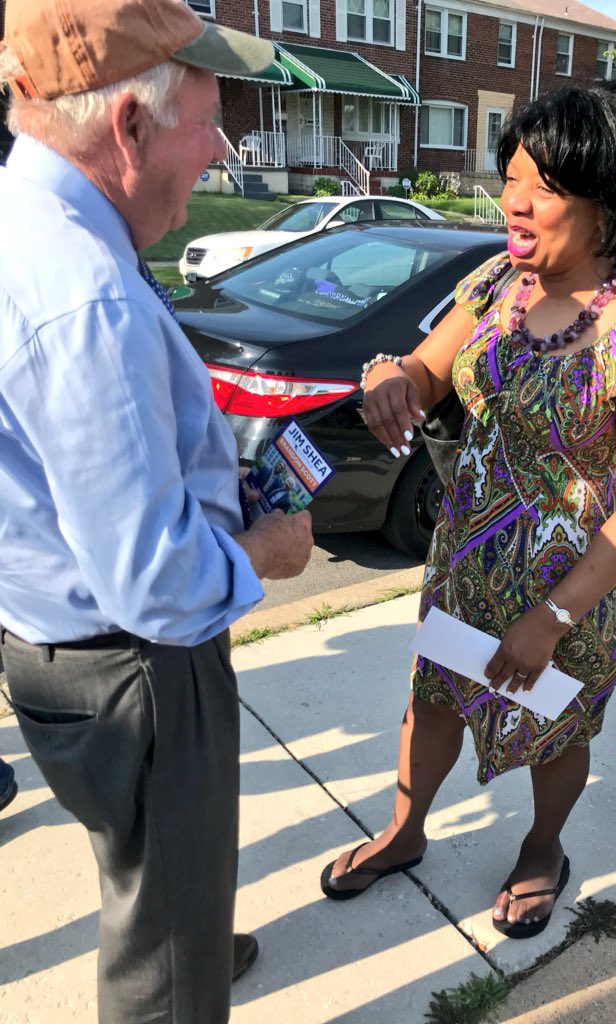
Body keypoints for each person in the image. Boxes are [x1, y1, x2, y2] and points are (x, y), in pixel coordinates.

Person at [321, 82, 616, 939]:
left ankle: (543, 847)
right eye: (511, 176)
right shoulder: (499, 281)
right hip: (467, 556)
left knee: (553, 727)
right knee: (433, 699)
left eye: (543, 185)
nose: (514, 202)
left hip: (574, 588)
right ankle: (405, 831)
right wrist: (394, 382)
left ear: (606, 202)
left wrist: (550, 617)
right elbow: (426, 369)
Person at [0, 1, 313, 1021]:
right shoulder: (86, 297)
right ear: (129, 126)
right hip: (135, 665)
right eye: (210, 118)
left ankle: (189, 925)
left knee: (152, 882)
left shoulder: (32, 221)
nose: (223, 148)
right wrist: (262, 547)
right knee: (166, 974)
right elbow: (159, 584)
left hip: (61, 641)